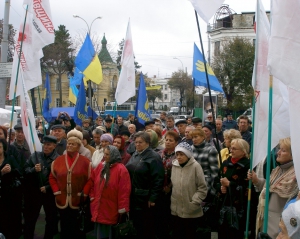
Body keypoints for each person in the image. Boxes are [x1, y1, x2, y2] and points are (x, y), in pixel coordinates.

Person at [248, 137, 299, 238]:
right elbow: (269, 187)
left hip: (279, 227)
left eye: (283, 150)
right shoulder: (277, 170)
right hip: (265, 220)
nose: (278, 152)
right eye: (279, 149)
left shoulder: (296, 175)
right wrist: (256, 180)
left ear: (293, 155)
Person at [49, 131, 92, 239]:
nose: (69, 145)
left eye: (72, 144)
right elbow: (52, 177)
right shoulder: (58, 161)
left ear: (78, 146)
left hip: (78, 200)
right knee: (64, 226)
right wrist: (56, 191)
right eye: (68, 143)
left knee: (77, 227)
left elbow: (91, 179)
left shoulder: (86, 162)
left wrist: (85, 193)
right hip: (62, 199)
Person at [126, 131, 164, 239]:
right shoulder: (136, 153)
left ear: (147, 143)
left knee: (146, 226)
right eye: (136, 142)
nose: (137, 144)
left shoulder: (154, 157)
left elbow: (158, 179)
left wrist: (153, 198)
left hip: (145, 197)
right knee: (137, 225)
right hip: (134, 195)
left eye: (140, 142)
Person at [88, 145, 131, 239]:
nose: (105, 156)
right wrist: (92, 196)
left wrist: (122, 208)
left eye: (107, 154)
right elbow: (92, 181)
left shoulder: (121, 170)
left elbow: (124, 191)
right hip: (99, 205)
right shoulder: (101, 166)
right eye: (104, 154)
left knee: (109, 231)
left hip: (111, 207)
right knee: (100, 230)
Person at [23, 135, 59, 239]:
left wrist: (47, 187)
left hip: (49, 193)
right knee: (31, 217)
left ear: (54, 146)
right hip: (35, 192)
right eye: (44, 144)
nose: (46, 147)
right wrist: (33, 169)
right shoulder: (35, 156)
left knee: (51, 218)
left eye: (49, 145)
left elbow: (59, 178)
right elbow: (25, 170)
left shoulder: (58, 159)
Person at [171, 142, 207, 239]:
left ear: (188, 154)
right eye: (177, 154)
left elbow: (202, 187)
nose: (178, 157)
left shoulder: (195, 166)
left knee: (189, 234)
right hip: (177, 208)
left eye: (181, 154)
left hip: (191, 209)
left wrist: (194, 202)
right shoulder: (174, 165)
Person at [218, 138, 250, 239]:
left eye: (234, 149)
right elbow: (217, 179)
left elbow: (246, 187)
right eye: (231, 148)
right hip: (223, 204)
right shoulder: (226, 163)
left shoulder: (247, 165)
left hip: (238, 208)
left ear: (243, 151)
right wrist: (221, 187)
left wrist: (230, 184)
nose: (231, 150)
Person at [155, 131, 179, 238]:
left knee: (171, 215)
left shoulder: (178, 155)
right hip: (159, 188)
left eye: (171, 140)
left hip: (173, 190)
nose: (168, 142)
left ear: (176, 142)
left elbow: (179, 174)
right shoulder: (160, 154)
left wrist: (169, 186)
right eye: (167, 140)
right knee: (160, 215)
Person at [0, 138, 23, 239]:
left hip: (10, 195)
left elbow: (19, 173)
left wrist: (12, 170)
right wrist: (1, 173)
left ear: (3, 148)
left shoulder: (10, 158)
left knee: (10, 219)